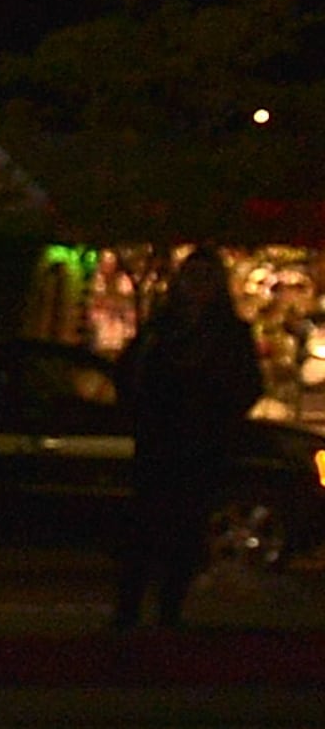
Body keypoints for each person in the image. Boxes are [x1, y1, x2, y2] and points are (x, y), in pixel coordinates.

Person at [113, 245, 263, 627]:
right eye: (191, 277)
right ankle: (128, 610)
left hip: (201, 446)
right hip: (158, 442)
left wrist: (218, 416)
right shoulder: (161, 330)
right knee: (143, 530)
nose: (197, 287)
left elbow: (247, 385)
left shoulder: (228, 334)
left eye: (205, 278)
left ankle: (169, 610)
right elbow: (129, 374)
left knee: (185, 530)